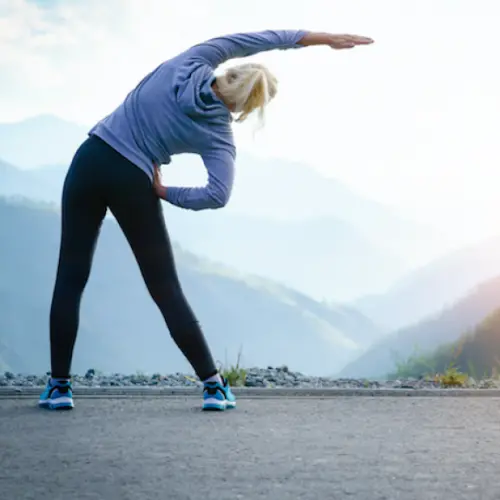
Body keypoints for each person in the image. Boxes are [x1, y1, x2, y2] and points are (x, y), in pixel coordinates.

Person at [38, 29, 374, 412]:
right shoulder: (218, 134)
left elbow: (264, 38)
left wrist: (321, 38)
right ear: (247, 107)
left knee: (71, 277)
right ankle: (213, 387)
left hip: (90, 159)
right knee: (164, 287)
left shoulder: (194, 59)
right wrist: (166, 192)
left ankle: (59, 387)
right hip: (134, 180)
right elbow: (218, 194)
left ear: (230, 68)